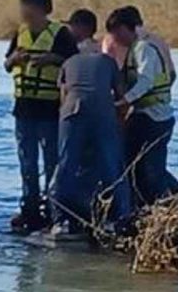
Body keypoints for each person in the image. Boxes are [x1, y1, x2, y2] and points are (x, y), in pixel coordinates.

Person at [5, 0, 79, 233]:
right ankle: (29, 209)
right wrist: (14, 58)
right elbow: (7, 64)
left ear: (40, 9)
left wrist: (53, 59)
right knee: (27, 162)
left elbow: (74, 65)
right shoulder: (21, 33)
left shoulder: (61, 34)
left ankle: (52, 210)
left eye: (27, 8)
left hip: (49, 109)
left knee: (51, 163)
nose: (23, 13)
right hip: (23, 108)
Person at [47, 44, 132, 240]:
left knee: (66, 166)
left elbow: (63, 97)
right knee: (112, 167)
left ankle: (60, 221)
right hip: (102, 113)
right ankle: (121, 219)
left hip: (71, 112)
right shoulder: (108, 62)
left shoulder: (69, 62)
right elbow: (122, 95)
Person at [105, 7, 178, 207]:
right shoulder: (135, 48)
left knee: (152, 168)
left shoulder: (144, 48)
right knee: (135, 163)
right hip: (144, 115)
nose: (115, 38)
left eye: (116, 32)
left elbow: (146, 80)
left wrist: (125, 100)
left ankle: (165, 209)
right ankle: (147, 205)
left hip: (154, 117)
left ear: (126, 28)